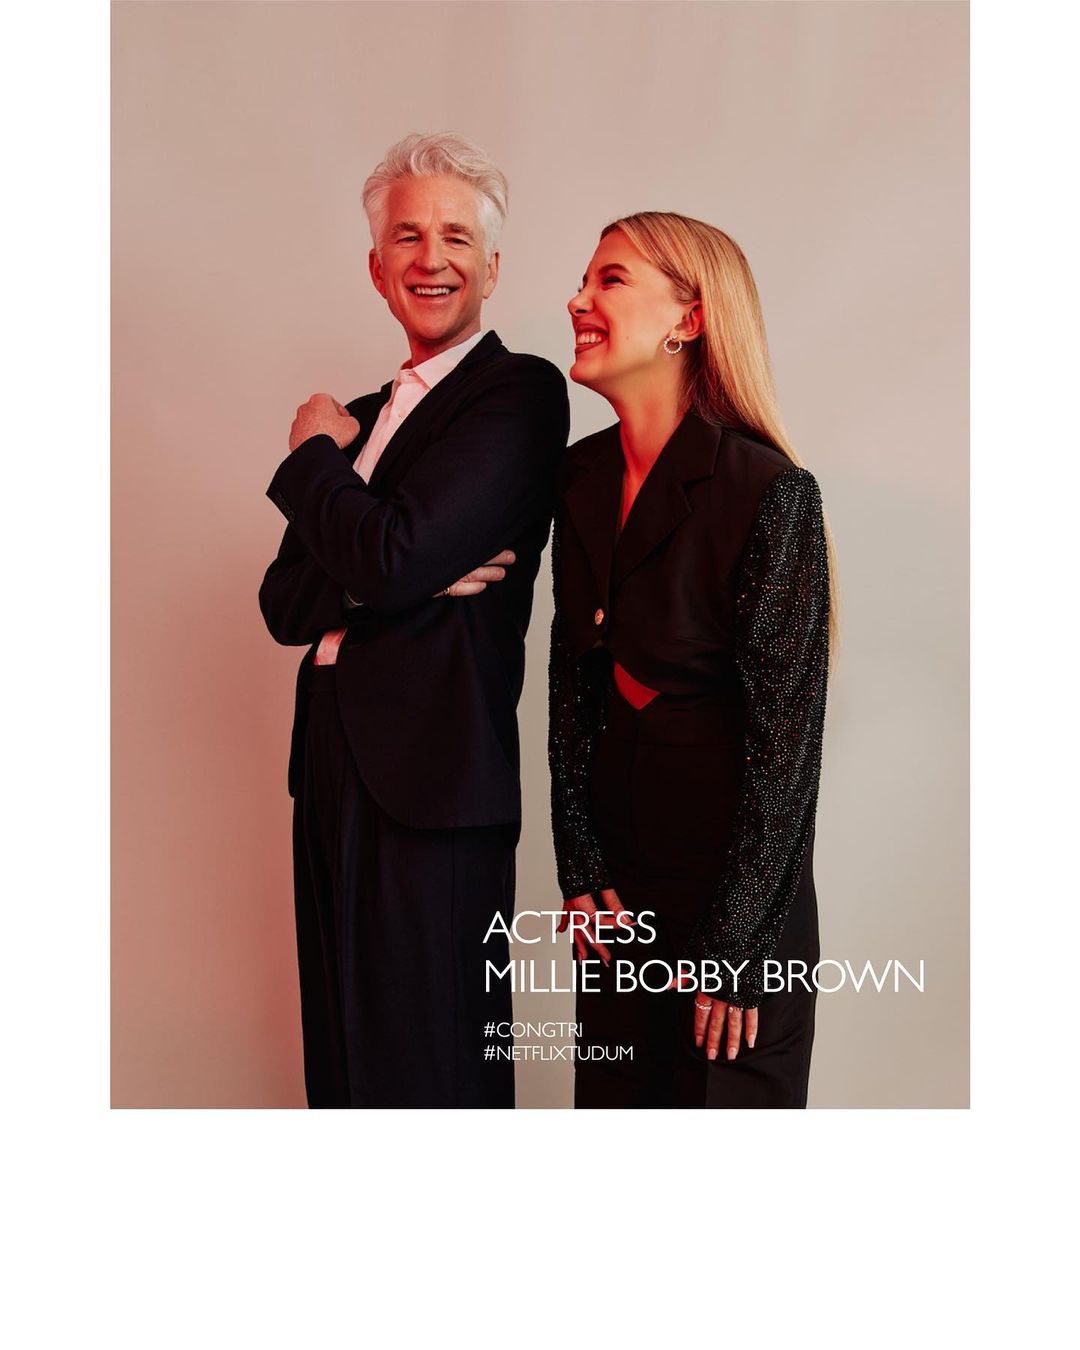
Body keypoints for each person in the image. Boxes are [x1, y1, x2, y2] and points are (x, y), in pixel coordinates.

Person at [259, 133, 569, 1108]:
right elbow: (284, 602)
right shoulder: (365, 413)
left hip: (435, 780)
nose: (431, 258)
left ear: (492, 268)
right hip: (331, 768)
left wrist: (315, 462)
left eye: (455, 237)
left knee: (432, 1077)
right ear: (376, 267)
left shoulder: (517, 394)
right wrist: (394, 570)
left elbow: (389, 558)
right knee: (344, 1070)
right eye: (407, 236)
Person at [548, 212, 836, 1108]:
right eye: (584, 281)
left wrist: (735, 949)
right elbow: (572, 689)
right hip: (618, 909)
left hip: (734, 910)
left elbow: (786, 754)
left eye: (610, 280)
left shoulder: (770, 493)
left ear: (690, 317)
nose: (578, 300)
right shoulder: (580, 479)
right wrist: (579, 866)